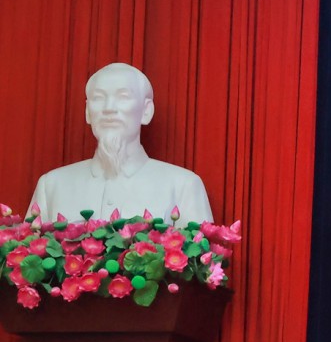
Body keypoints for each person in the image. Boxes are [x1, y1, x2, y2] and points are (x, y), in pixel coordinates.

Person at [28, 62, 213, 224]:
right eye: (98, 98)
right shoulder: (52, 185)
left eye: (123, 97)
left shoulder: (183, 186)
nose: (109, 108)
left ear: (146, 111)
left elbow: (199, 253)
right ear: (87, 112)